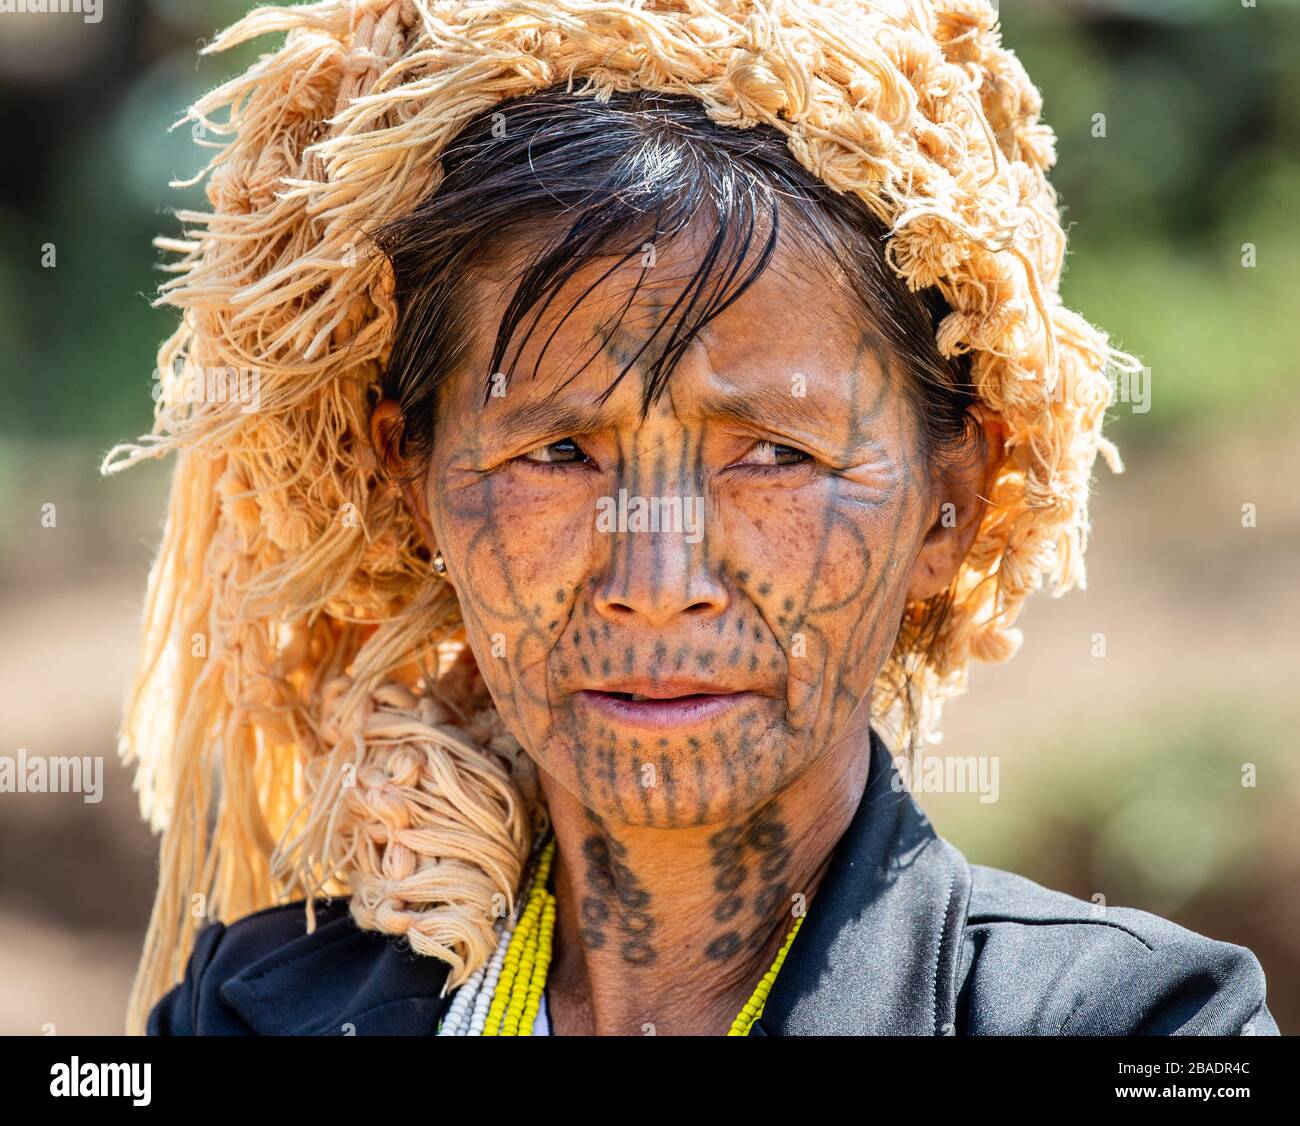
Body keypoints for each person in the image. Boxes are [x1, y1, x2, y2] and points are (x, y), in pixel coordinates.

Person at [105, 0, 1279, 1036]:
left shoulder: (1144, 1026)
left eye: (772, 454)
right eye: (558, 452)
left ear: (949, 504)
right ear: (414, 484)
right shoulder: (260, 1012)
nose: (658, 580)